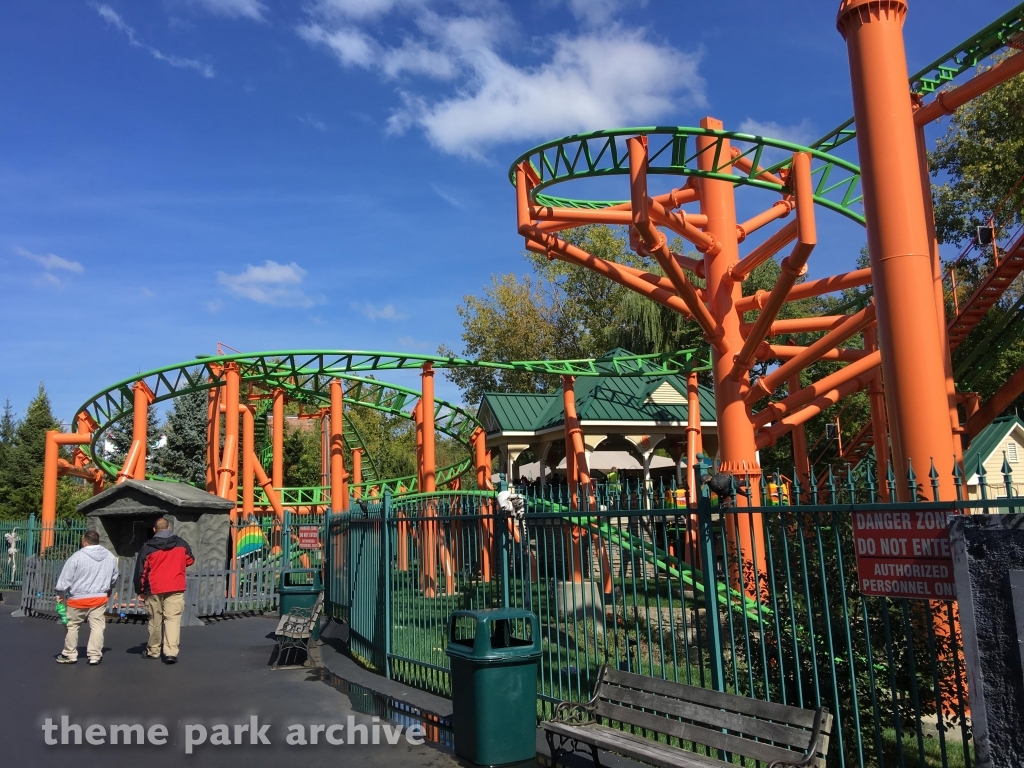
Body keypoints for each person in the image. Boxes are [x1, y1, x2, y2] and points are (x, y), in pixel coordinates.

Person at [133, 517, 194, 664]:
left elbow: (141, 571)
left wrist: (140, 590)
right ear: (169, 528)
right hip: (175, 586)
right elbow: (190, 560)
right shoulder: (181, 543)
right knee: (173, 619)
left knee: (155, 619)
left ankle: (153, 650)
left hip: (154, 588)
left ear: (154, 530)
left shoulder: (147, 547)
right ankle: (171, 652)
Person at [54, 530, 118, 665]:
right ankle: (94, 655)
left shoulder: (76, 557)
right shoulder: (110, 556)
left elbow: (66, 577)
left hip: (78, 598)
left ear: (84, 541)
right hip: (99, 598)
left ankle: (70, 654)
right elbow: (114, 576)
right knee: (97, 627)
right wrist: (109, 589)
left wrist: (60, 593)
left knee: (72, 626)